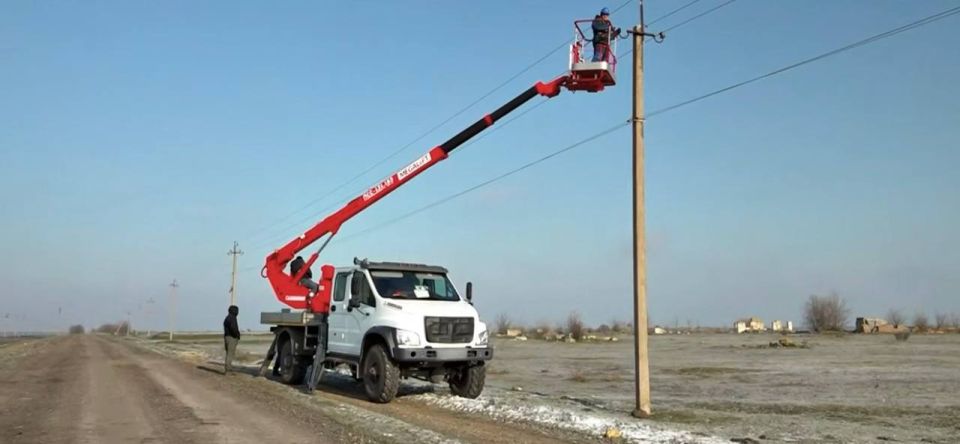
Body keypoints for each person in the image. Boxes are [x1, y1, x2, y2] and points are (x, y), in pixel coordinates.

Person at [223, 305, 240, 375]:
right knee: (230, 354)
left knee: (228, 353)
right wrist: (237, 335)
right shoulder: (232, 318)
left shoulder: (228, 317)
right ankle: (228, 370)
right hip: (231, 337)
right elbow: (234, 328)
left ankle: (228, 368)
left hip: (227, 337)